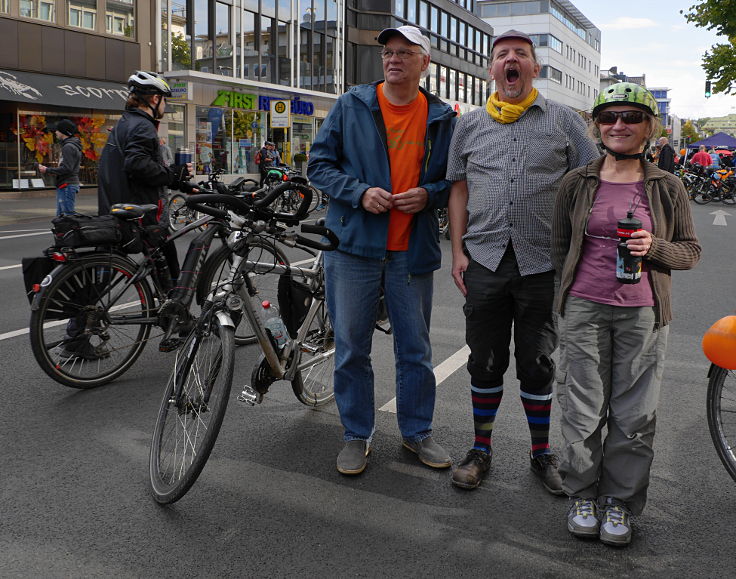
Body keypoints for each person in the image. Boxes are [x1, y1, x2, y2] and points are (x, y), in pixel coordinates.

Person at [445, 29, 599, 494]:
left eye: (521, 55)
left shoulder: (565, 122)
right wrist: (456, 251)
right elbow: (458, 187)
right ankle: (481, 451)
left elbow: (591, 183)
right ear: (492, 69)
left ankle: (540, 454)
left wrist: (581, 249)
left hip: (543, 263)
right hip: (485, 259)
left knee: (536, 362)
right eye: (502, 55)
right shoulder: (468, 125)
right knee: (485, 361)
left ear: (534, 68)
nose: (511, 61)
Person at [552, 83, 700, 546]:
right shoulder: (577, 182)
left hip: (642, 313)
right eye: (609, 116)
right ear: (597, 125)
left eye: (631, 117)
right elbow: (559, 245)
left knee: (635, 413)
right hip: (583, 309)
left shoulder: (666, 185)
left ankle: (619, 503)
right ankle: (582, 494)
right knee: (581, 406)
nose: (619, 125)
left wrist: (652, 247)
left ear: (649, 128)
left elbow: (690, 252)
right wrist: (568, 294)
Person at [308, 25, 456, 475]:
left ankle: (416, 433)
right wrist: (358, 192)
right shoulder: (352, 104)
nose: (393, 60)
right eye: (388, 53)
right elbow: (318, 165)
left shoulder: (442, 116)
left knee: (415, 349)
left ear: (424, 62)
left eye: (405, 53)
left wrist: (428, 194)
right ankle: (357, 433)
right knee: (352, 346)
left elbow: (454, 178)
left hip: (411, 250)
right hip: (353, 246)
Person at [97, 70, 192, 282]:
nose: (165, 107)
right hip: (142, 215)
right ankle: (171, 312)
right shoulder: (142, 126)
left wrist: (179, 181)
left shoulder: (125, 122)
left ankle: (84, 313)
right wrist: (172, 173)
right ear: (155, 99)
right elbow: (138, 165)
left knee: (103, 275)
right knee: (170, 274)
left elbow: (138, 166)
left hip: (118, 209)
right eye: (164, 101)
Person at [38, 119, 82, 217]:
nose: (56, 132)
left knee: (65, 217)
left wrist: (47, 170)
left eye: (58, 130)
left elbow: (67, 168)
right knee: (63, 216)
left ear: (64, 132)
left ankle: (70, 232)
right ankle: (68, 232)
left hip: (67, 185)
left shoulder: (68, 147)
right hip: (67, 184)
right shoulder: (72, 145)